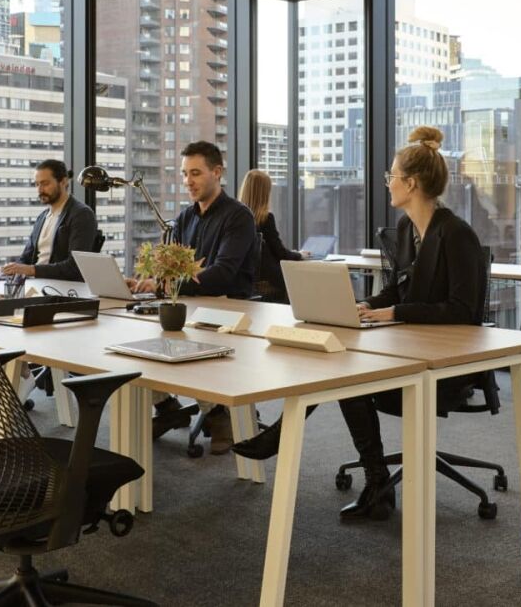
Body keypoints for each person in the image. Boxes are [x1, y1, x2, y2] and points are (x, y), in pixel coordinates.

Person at [234, 127, 486, 525]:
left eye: (391, 175)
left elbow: (462, 309)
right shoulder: (405, 230)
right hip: (408, 344)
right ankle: (375, 481)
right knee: (339, 364)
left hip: (448, 362)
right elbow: (396, 292)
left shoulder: (456, 234)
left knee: (345, 374)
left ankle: (305, 446)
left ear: (412, 183)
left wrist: (395, 314)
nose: (387, 182)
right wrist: (366, 305)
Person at [128, 141, 258, 453]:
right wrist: (149, 281)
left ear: (217, 172)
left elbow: (222, 274)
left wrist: (166, 284)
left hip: (228, 308)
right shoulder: (184, 219)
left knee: (178, 338)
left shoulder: (238, 217)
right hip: (191, 306)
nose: (188, 181)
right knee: (138, 344)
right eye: (185, 174)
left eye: (196, 173)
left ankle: (217, 412)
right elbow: (170, 267)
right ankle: (167, 406)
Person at [1, 159, 97, 283]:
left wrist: (31, 270)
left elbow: (75, 266)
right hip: (36, 284)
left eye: (45, 184)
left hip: (61, 289)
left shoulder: (81, 214)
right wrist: (10, 269)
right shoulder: (42, 217)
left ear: (63, 182)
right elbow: (25, 258)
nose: (40, 190)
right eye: (37, 184)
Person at [238, 168, 307, 302]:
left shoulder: (235, 219)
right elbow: (280, 252)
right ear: (265, 193)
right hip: (270, 282)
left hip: (247, 282)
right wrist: (299, 255)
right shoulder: (265, 218)